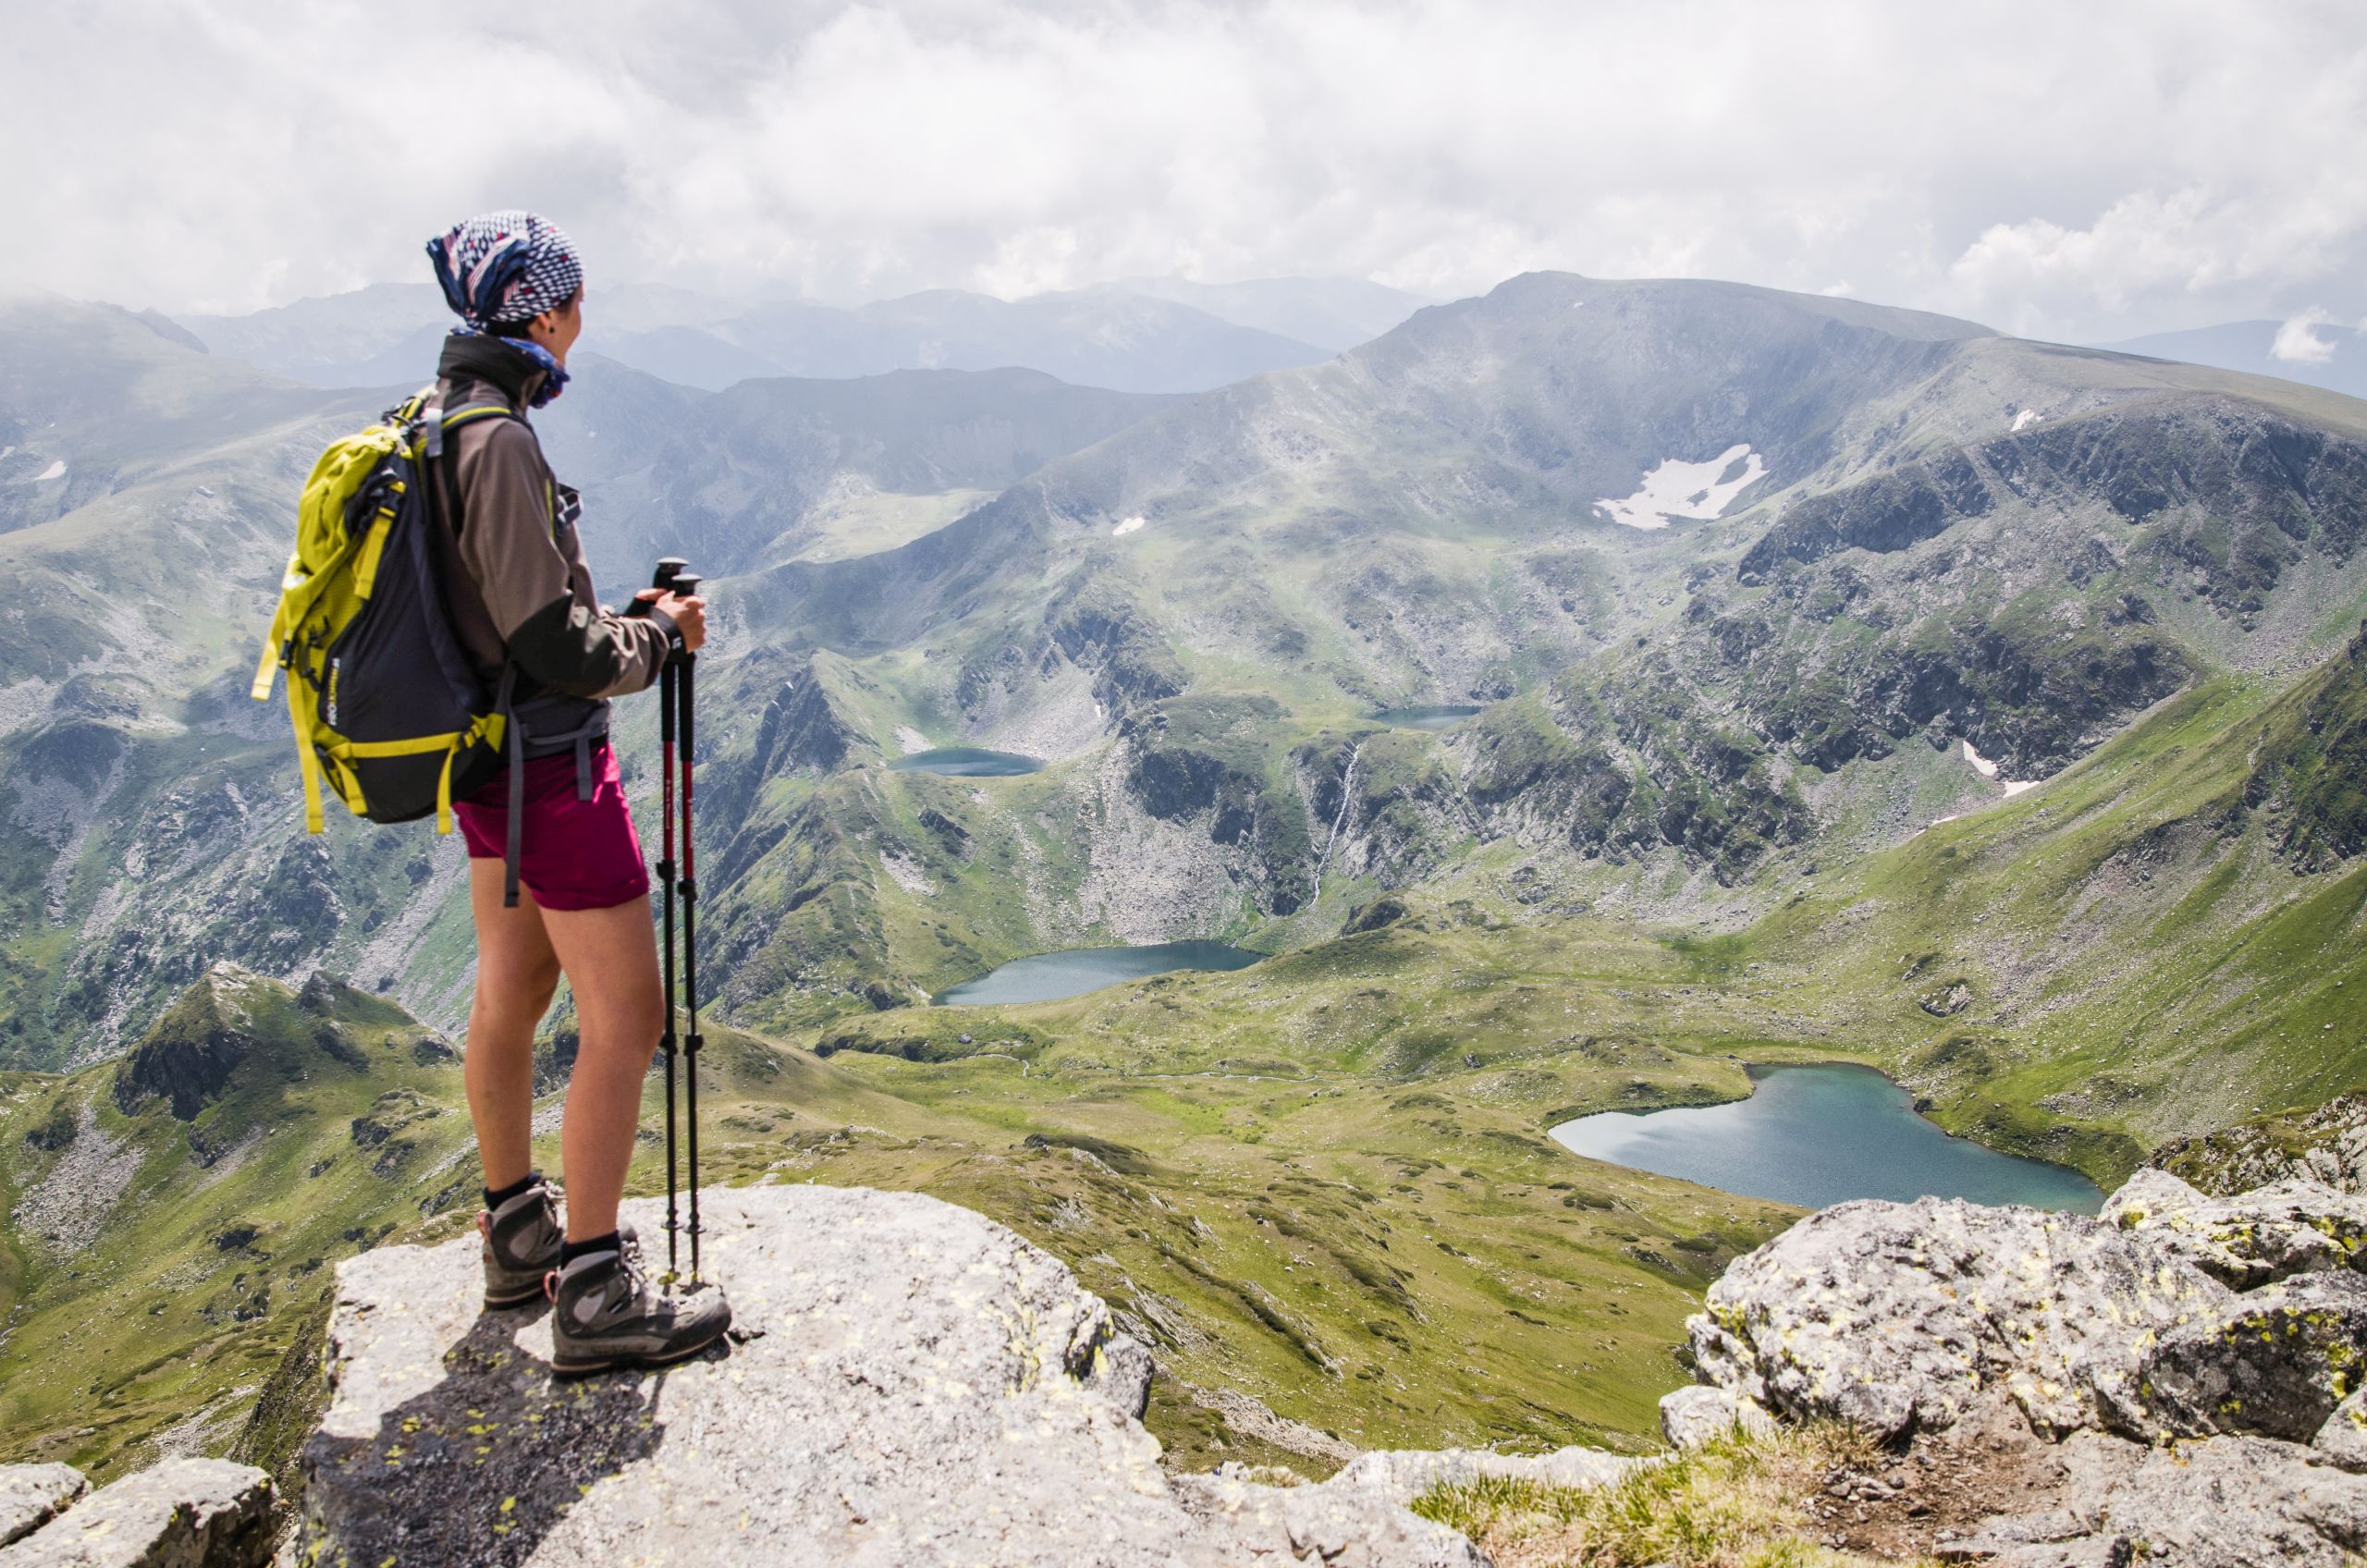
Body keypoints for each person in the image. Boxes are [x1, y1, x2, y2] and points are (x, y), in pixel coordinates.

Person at [423, 210, 730, 1374]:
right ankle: (594, 1289)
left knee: (515, 981)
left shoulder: (441, 419)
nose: (582, 324)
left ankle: (517, 1231)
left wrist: (626, 624)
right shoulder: (498, 441)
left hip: (484, 769)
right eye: (575, 303)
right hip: (551, 770)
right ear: (541, 313)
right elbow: (552, 641)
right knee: (628, 1017)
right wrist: (657, 642)